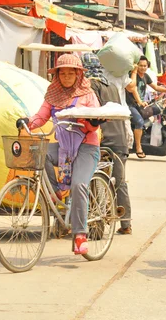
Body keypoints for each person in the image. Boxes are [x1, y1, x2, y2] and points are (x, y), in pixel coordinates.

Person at [16, 54, 102, 256]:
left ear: (78, 74)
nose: (66, 77)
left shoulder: (88, 95)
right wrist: (27, 122)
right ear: (57, 75)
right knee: (39, 153)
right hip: (63, 146)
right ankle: (55, 194)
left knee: (79, 185)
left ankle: (80, 234)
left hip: (86, 147)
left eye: (70, 73)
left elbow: (96, 118)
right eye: (62, 73)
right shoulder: (52, 94)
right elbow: (41, 116)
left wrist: (92, 121)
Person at [85, 53, 133, 235]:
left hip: (102, 139)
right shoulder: (111, 85)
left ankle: (96, 226)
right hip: (120, 140)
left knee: (94, 180)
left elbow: (93, 113)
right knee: (119, 181)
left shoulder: (91, 86)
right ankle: (126, 223)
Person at [126, 56, 166, 159]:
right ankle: (138, 147)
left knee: (157, 110)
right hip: (130, 105)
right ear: (136, 66)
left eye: (145, 66)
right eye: (140, 65)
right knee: (139, 122)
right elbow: (133, 89)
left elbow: (155, 87)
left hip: (140, 104)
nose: (143, 68)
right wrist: (140, 102)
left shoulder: (146, 76)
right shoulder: (132, 76)